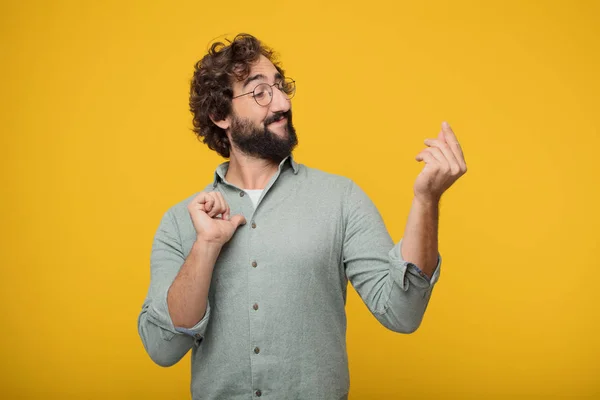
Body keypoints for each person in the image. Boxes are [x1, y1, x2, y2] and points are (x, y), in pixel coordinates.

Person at [137, 33, 467, 400]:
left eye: (280, 86)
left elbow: (402, 313)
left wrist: (426, 201)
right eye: (259, 91)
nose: (281, 102)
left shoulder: (340, 199)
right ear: (220, 115)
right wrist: (206, 245)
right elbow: (162, 349)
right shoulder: (180, 223)